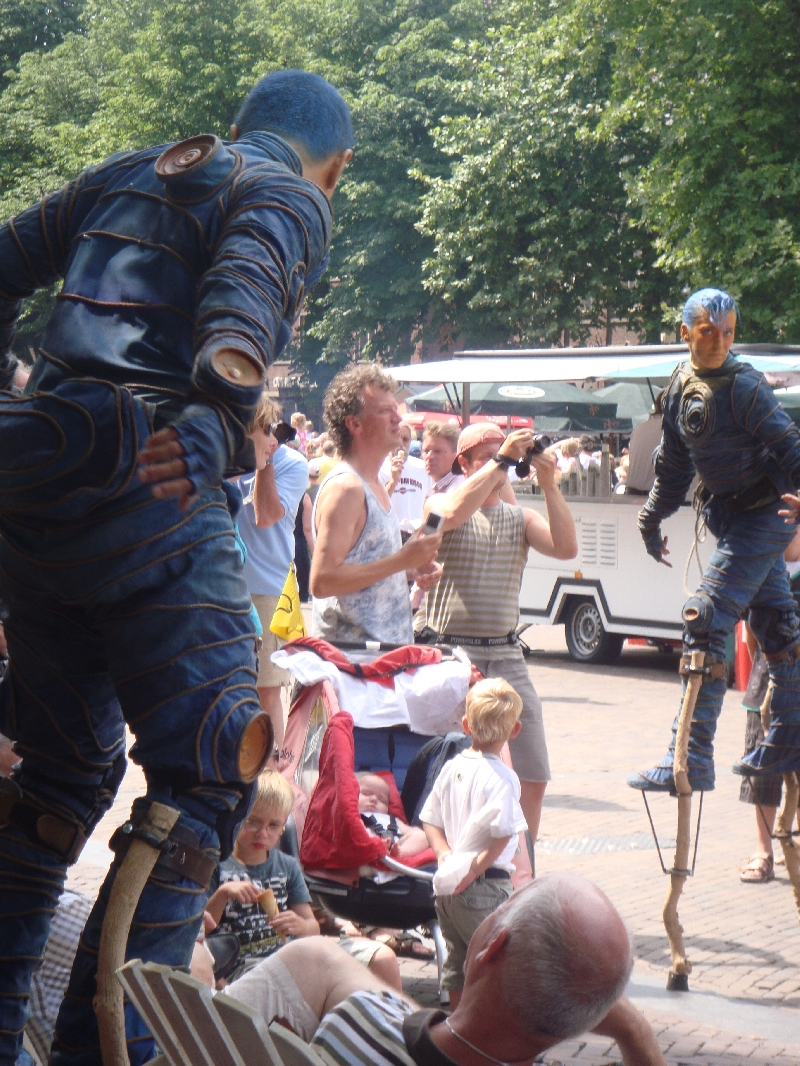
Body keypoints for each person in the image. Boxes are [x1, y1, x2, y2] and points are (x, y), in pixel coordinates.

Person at [0, 68, 353, 1066]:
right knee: (205, 778)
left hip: (38, 493)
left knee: (58, 777)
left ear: (240, 121)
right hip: (151, 486)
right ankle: (106, 1051)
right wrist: (212, 412)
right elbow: (247, 295)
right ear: (336, 169)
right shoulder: (284, 191)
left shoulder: (125, 171)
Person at [629, 288, 800, 795]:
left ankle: (691, 754)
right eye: (708, 331)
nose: (719, 341)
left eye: (727, 332)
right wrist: (650, 517)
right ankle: (790, 735)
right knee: (777, 626)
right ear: (685, 333)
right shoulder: (683, 382)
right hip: (732, 517)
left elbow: (790, 447)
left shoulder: (744, 386)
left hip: (766, 515)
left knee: (704, 618)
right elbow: (674, 466)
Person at [222, 872, 667, 1066]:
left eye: (502, 907)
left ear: (492, 945)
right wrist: (636, 1033)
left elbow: (390, 1019)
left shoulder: (352, 1025)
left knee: (320, 956)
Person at [416, 422, 577, 847]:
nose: (499, 462)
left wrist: (548, 484)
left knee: (533, 770)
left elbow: (566, 548)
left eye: (503, 455)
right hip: (449, 650)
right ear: (463, 464)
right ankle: (440, 854)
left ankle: (522, 868)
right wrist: (504, 458)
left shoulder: (519, 517)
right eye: (487, 456)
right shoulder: (438, 502)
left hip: (504, 654)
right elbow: (447, 517)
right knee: (443, 764)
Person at [310, 364, 442, 646]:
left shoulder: (372, 482)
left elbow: (366, 567)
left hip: (378, 662)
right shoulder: (347, 488)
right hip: (353, 666)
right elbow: (322, 581)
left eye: (396, 409)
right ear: (354, 424)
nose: (398, 418)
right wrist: (401, 561)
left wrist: (410, 570)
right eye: (385, 411)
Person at [421, 678, 527, 1007]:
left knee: (457, 961)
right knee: (498, 962)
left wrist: (443, 853)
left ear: (466, 725)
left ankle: (456, 1023)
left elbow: (430, 818)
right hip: (484, 886)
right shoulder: (503, 777)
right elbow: (503, 832)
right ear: (515, 730)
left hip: (447, 888)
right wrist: (475, 868)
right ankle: (489, 1032)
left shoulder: (452, 767)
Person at [236, 397, 309, 761]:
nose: (274, 438)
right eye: (264, 430)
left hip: (267, 587)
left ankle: (276, 774)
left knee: (267, 687)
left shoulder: (291, 463)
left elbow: (265, 516)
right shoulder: (226, 461)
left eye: (275, 429)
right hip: (224, 584)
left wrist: (261, 464)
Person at [206, 771, 318, 974]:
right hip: (236, 966)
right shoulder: (217, 866)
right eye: (253, 822)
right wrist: (223, 894)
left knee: (381, 957)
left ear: (283, 827)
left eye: (273, 825)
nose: (262, 833)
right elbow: (200, 930)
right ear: (236, 818)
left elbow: (313, 927)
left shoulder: (288, 867)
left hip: (280, 960)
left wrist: (300, 925)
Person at [380, 420, 432, 533]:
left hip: (414, 533)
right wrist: (393, 481)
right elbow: (376, 505)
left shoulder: (422, 467)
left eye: (405, 439)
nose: (401, 443)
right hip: (388, 533)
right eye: (397, 437)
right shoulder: (379, 468)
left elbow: (432, 501)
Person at [422, 421, 464, 495]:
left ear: (457, 454)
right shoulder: (437, 487)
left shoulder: (459, 489)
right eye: (426, 451)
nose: (429, 456)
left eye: (437, 451)